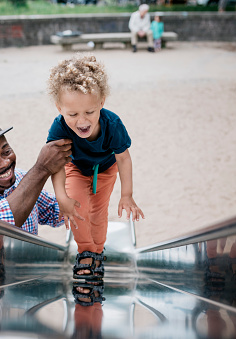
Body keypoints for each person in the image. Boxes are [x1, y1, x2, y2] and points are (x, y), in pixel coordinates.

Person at [46, 54, 144, 280]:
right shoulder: (59, 127)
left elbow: (123, 158)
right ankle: (86, 252)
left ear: (101, 102)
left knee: (98, 213)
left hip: (106, 170)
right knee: (77, 208)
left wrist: (126, 195)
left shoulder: (112, 124)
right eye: (72, 114)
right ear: (59, 107)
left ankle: (98, 252)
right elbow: (56, 164)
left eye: (89, 112)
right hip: (76, 169)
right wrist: (62, 196)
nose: (82, 121)